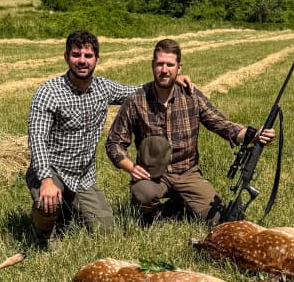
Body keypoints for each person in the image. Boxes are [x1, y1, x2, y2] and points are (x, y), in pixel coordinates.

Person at [26, 29, 193, 242]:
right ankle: (43, 234)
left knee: (106, 230)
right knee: (47, 203)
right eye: (76, 55)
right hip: (52, 170)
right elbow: (37, 139)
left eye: (88, 56)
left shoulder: (103, 88)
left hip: (82, 177)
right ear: (66, 57)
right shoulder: (48, 92)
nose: (82, 61)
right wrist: (46, 179)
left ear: (96, 59)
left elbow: (137, 92)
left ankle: (66, 210)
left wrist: (172, 79)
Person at [105, 38, 275, 223]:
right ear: (152, 65)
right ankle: (153, 216)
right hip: (152, 174)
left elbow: (220, 123)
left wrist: (253, 135)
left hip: (187, 172)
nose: (164, 70)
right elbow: (114, 142)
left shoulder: (191, 95)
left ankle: (177, 206)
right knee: (142, 194)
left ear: (179, 68)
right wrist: (131, 167)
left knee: (219, 219)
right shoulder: (136, 100)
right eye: (160, 64)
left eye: (170, 65)